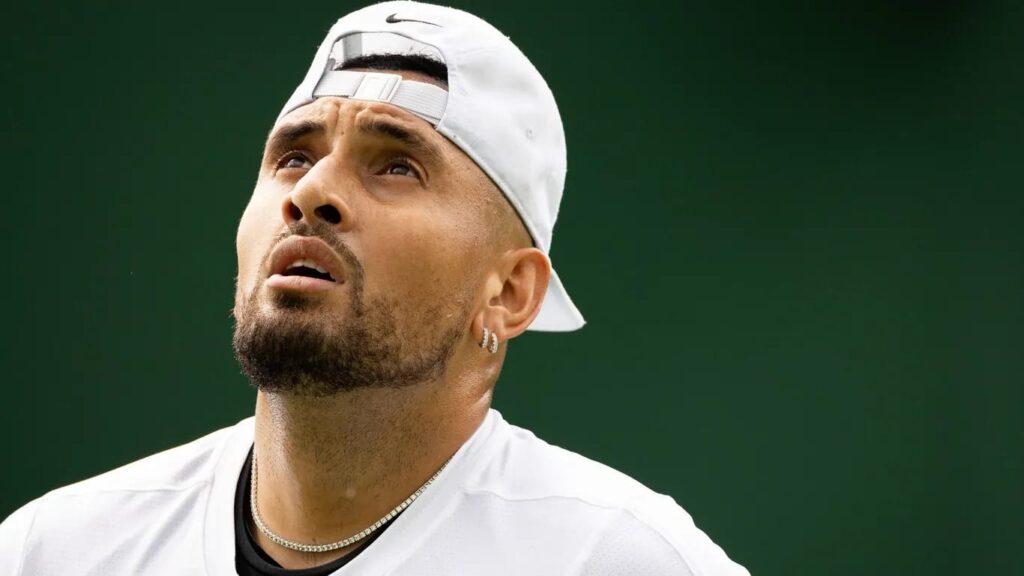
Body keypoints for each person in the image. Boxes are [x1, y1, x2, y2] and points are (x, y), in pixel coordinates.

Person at [0, 2, 749, 574]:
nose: (311, 193)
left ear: (509, 293)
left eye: (397, 166)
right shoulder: (53, 551)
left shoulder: (614, 558)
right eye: (294, 157)